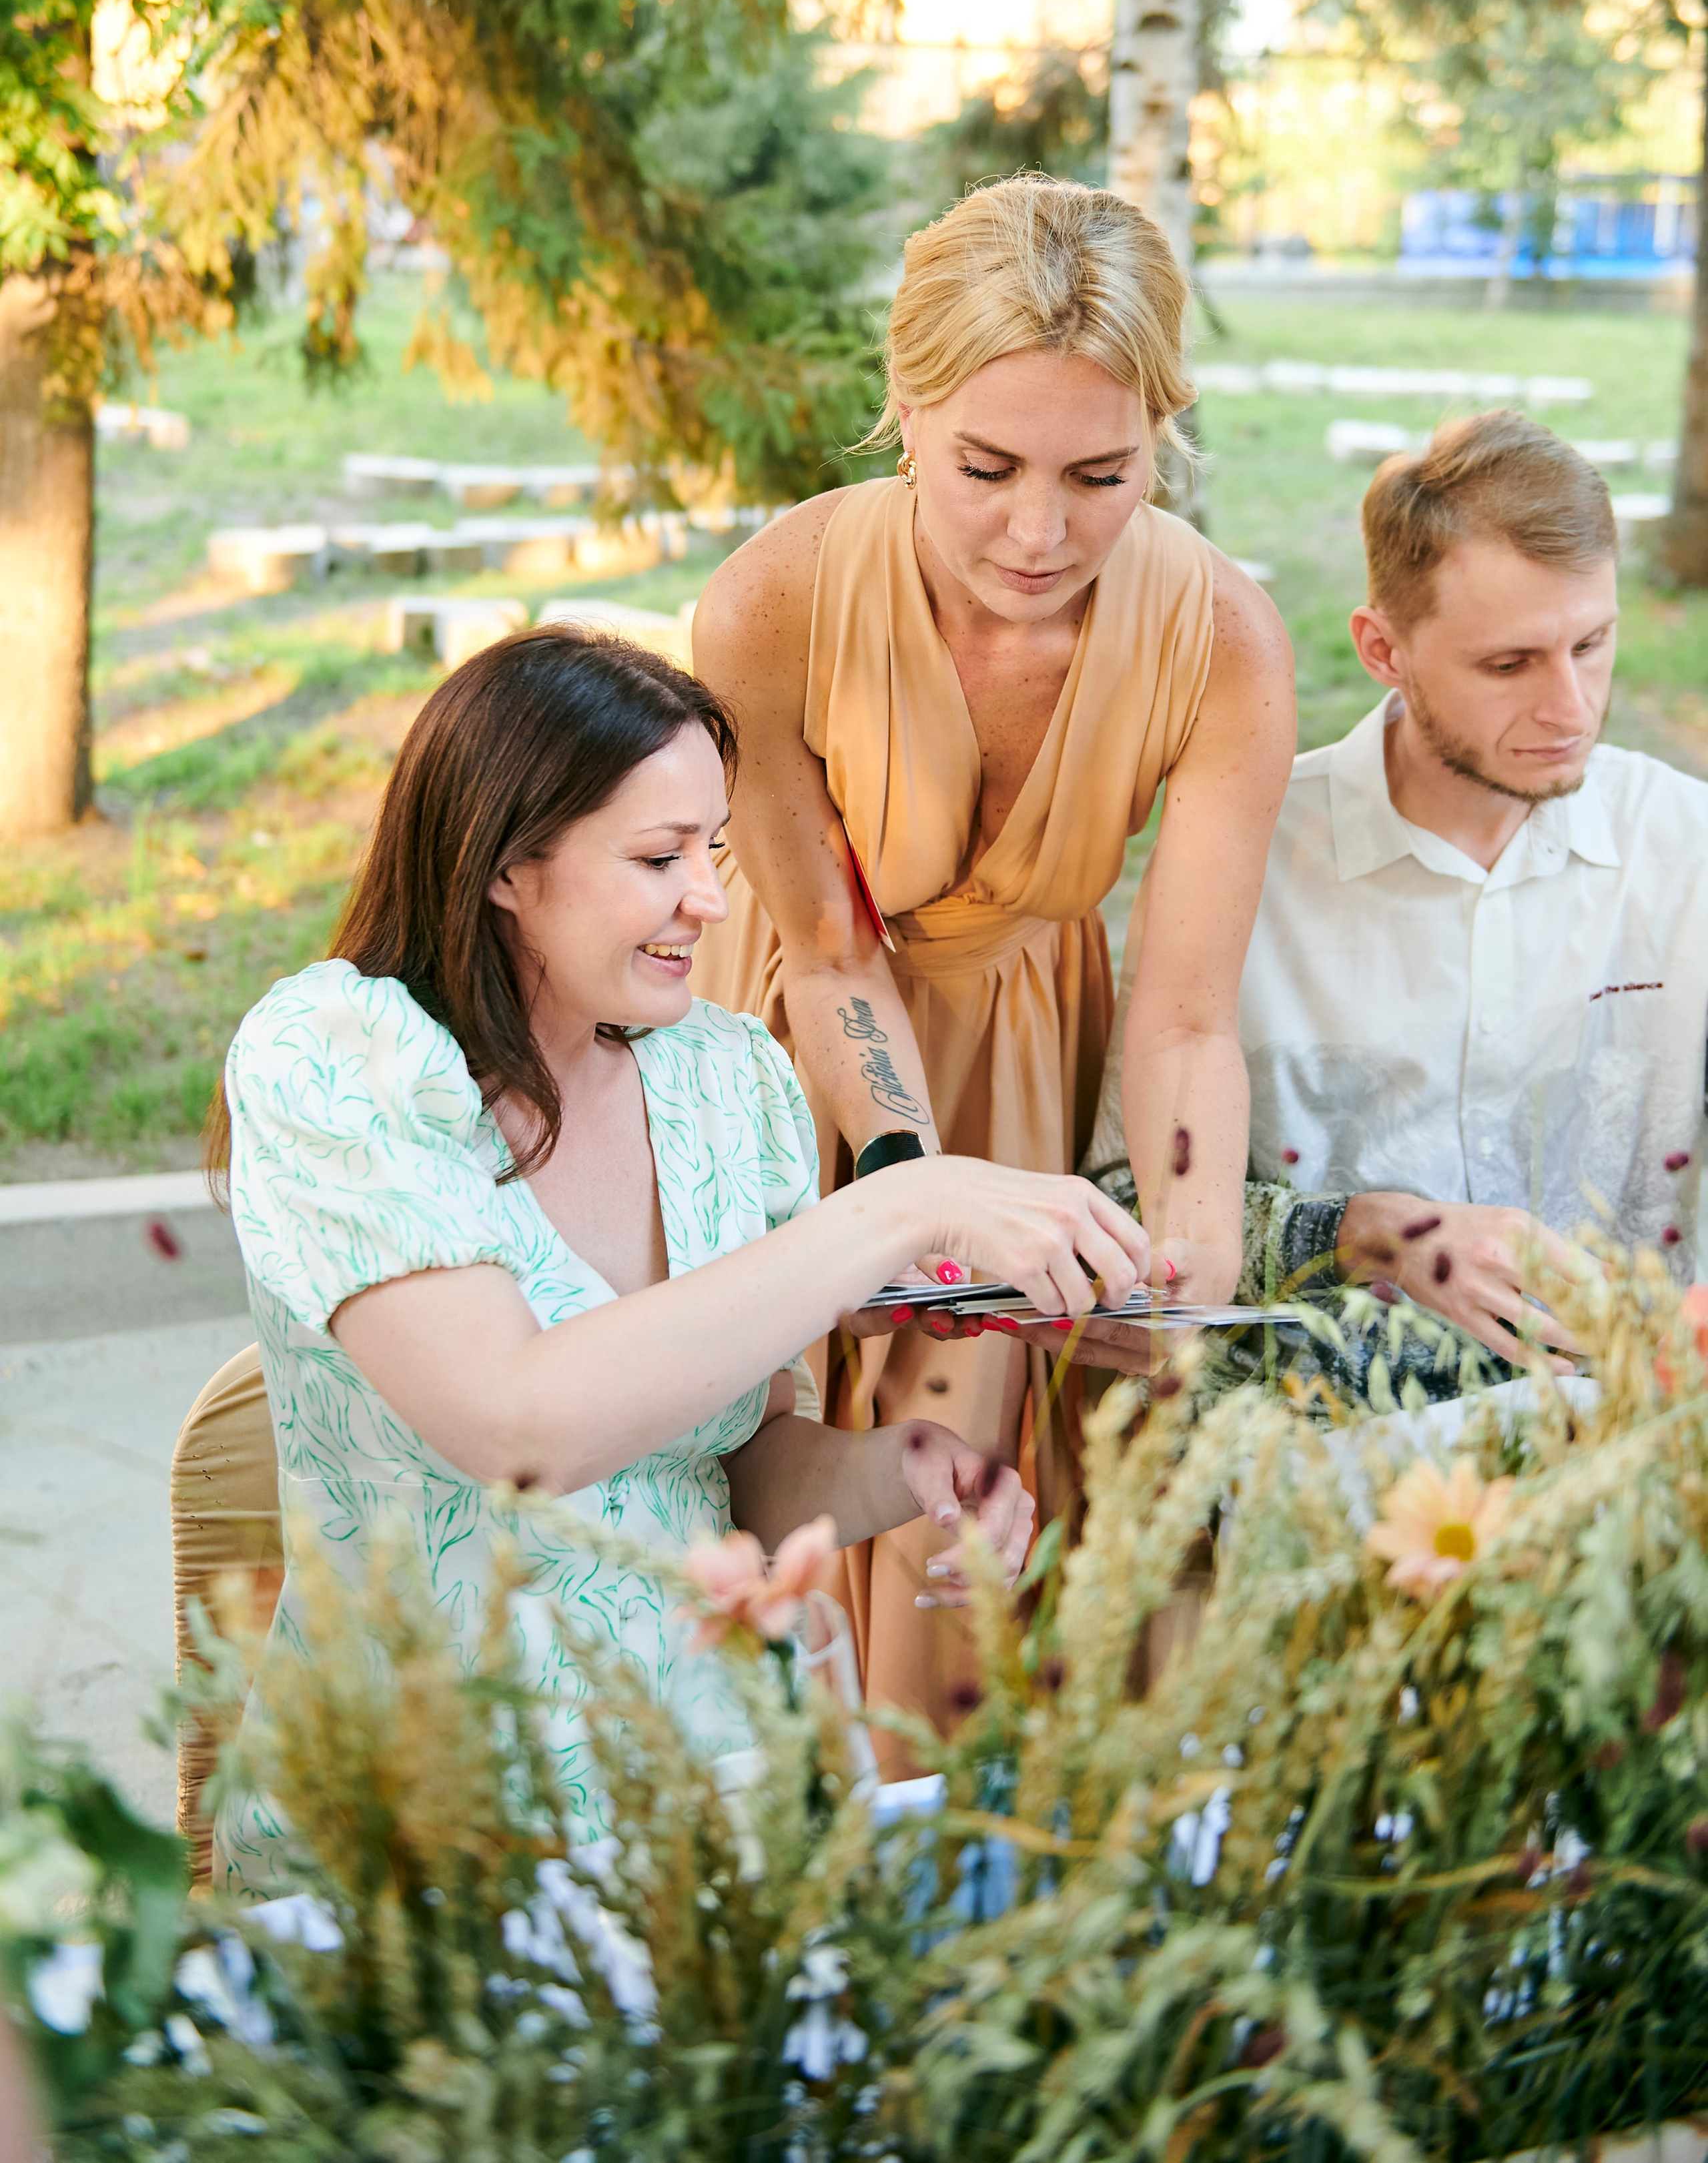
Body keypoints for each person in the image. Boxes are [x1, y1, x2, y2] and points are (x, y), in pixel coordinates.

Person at [204, 626, 1145, 1895]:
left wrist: (901, 1469)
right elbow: (520, 1426)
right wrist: (895, 1207)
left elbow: (737, 1472)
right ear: (504, 865)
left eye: (712, 849)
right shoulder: (337, 1056)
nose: (710, 897)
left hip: (715, 1816)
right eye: (659, 859)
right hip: (427, 1840)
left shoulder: (725, 1074)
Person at [690, 173, 1294, 1739]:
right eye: (984, 466)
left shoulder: (1221, 636)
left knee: (965, 1480)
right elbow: (828, 947)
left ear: (1163, 428)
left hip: (1027, 1042)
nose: (1040, 531)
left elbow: (1180, 1009)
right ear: (900, 408)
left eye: (1100, 473)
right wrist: (905, 1181)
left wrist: (1191, 1228)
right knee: (756, 1429)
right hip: (789, 1028)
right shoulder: (774, 599)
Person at [1086, 409, 1708, 1374]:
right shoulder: (1243, 865)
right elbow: (1127, 1217)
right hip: (1330, 1475)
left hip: (1637, 1457)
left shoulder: (1687, 846)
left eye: (1592, 644)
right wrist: (1366, 1232)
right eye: (1509, 664)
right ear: (1383, 650)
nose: (1571, 708)